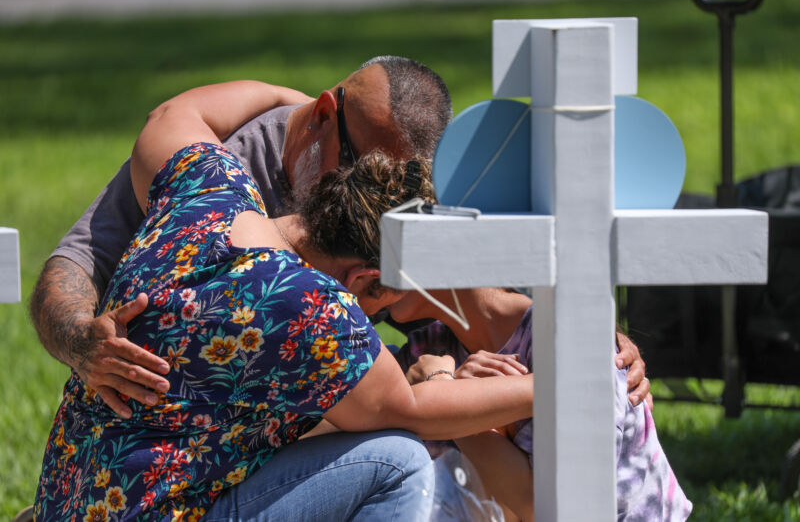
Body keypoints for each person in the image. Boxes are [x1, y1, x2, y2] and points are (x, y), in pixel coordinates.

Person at [34, 81, 534, 521]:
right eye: (383, 304)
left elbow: (173, 115)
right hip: (153, 512)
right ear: (366, 277)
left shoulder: (211, 188)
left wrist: (285, 99)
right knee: (395, 461)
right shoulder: (311, 306)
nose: (378, 318)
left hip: (67, 497)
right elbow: (415, 408)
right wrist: (564, 381)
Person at [30, 56, 454, 419]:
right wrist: (83, 342)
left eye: (400, 183)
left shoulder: (398, 203)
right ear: (322, 116)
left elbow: (469, 315)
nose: (378, 195)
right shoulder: (211, 162)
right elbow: (78, 262)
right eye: (358, 167)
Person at [392, 287, 693, 522]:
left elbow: (551, 509)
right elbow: (357, 403)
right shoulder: (428, 349)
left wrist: (443, 394)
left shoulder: (568, 338)